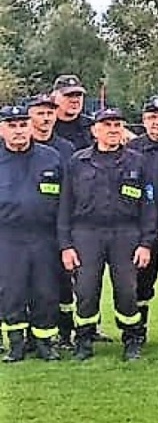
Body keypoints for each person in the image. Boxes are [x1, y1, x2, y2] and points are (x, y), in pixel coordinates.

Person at [58, 108, 156, 361]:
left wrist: (146, 243)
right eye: (107, 125)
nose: (113, 130)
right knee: (86, 290)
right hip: (86, 233)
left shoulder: (138, 162)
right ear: (95, 130)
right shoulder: (77, 162)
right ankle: (84, 339)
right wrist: (66, 245)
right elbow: (65, 206)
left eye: (117, 125)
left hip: (126, 233)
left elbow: (148, 205)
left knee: (127, 290)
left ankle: (132, 338)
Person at [0, 102, 63, 362]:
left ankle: (45, 343)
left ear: (30, 126)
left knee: (45, 291)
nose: (18, 131)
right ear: (2, 130)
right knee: (11, 291)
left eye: (23, 125)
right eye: (11, 126)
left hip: (44, 235)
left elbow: (66, 199)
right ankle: (16, 344)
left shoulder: (51, 157)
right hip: (7, 237)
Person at [126, 95, 158, 340]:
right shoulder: (131, 149)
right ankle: (137, 331)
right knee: (140, 282)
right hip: (141, 228)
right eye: (152, 117)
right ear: (144, 120)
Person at [50, 74, 92, 153]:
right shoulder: (45, 126)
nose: (75, 100)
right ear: (54, 97)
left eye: (78, 95)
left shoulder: (93, 126)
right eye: (69, 95)